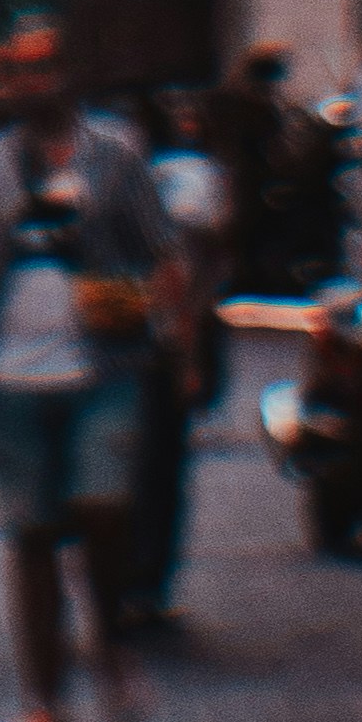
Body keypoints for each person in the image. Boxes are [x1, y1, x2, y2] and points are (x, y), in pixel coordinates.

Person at [0, 25, 186, 722]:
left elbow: (164, 255)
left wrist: (172, 339)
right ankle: (43, 704)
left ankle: (110, 639)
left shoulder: (116, 159)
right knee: (31, 539)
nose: (35, 81)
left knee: (104, 509)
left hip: (103, 370)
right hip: (11, 377)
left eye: (47, 65)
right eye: (21, 70)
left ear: (70, 75)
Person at [127, 87, 232, 627]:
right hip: (164, 343)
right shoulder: (196, 180)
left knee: (142, 464)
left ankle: (137, 579)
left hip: (141, 344)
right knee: (161, 465)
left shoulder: (146, 181)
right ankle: (148, 579)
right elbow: (208, 262)